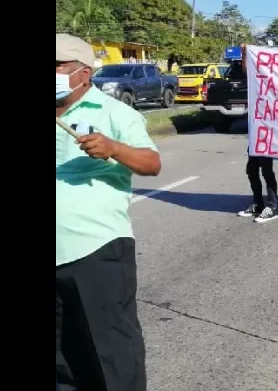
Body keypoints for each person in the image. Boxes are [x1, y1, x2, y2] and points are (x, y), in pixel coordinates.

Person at [56, 33, 162, 390]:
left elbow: (151, 163)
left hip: (94, 250)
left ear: (83, 73)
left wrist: (114, 148)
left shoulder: (115, 113)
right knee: (62, 358)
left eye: (57, 66)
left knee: (112, 352)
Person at [237, 48, 278, 223]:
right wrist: (245, 54)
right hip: (256, 133)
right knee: (251, 170)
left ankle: (271, 206)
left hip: (268, 134)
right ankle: (257, 203)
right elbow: (247, 70)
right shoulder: (256, 82)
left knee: (266, 170)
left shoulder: (277, 84)